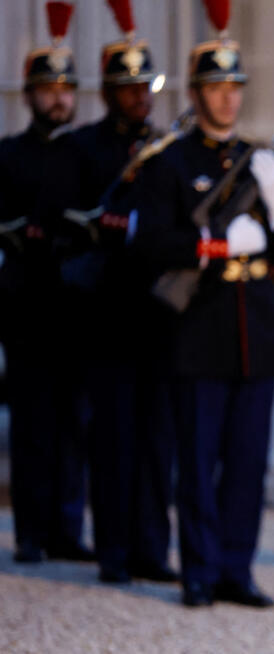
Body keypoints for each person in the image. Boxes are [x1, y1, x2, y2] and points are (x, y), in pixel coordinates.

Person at [133, 9, 274, 607]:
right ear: (197, 92)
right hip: (198, 330)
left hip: (252, 327)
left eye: (234, 89)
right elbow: (149, 244)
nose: (227, 100)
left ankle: (237, 569)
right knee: (199, 462)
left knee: (247, 461)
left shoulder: (258, 161)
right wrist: (214, 245)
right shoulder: (170, 164)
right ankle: (200, 572)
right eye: (215, 88)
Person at [60, 0, 177, 585]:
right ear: (107, 90)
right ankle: (112, 554)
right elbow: (68, 220)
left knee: (158, 441)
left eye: (144, 87)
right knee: (112, 440)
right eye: (128, 87)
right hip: (105, 312)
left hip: (158, 314)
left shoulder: (164, 148)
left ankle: (152, 551)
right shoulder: (83, 149)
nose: (139, 97)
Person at [0, 0, 93, 565]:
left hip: (77, 308)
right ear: (30, 94)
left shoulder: (85, 153)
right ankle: (32, 532)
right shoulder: (8, 154)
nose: (58, 97)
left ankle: (67, 529)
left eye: (65, 89)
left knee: (75, 425)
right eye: (47, 89)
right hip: (26, 305)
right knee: (33, 425)